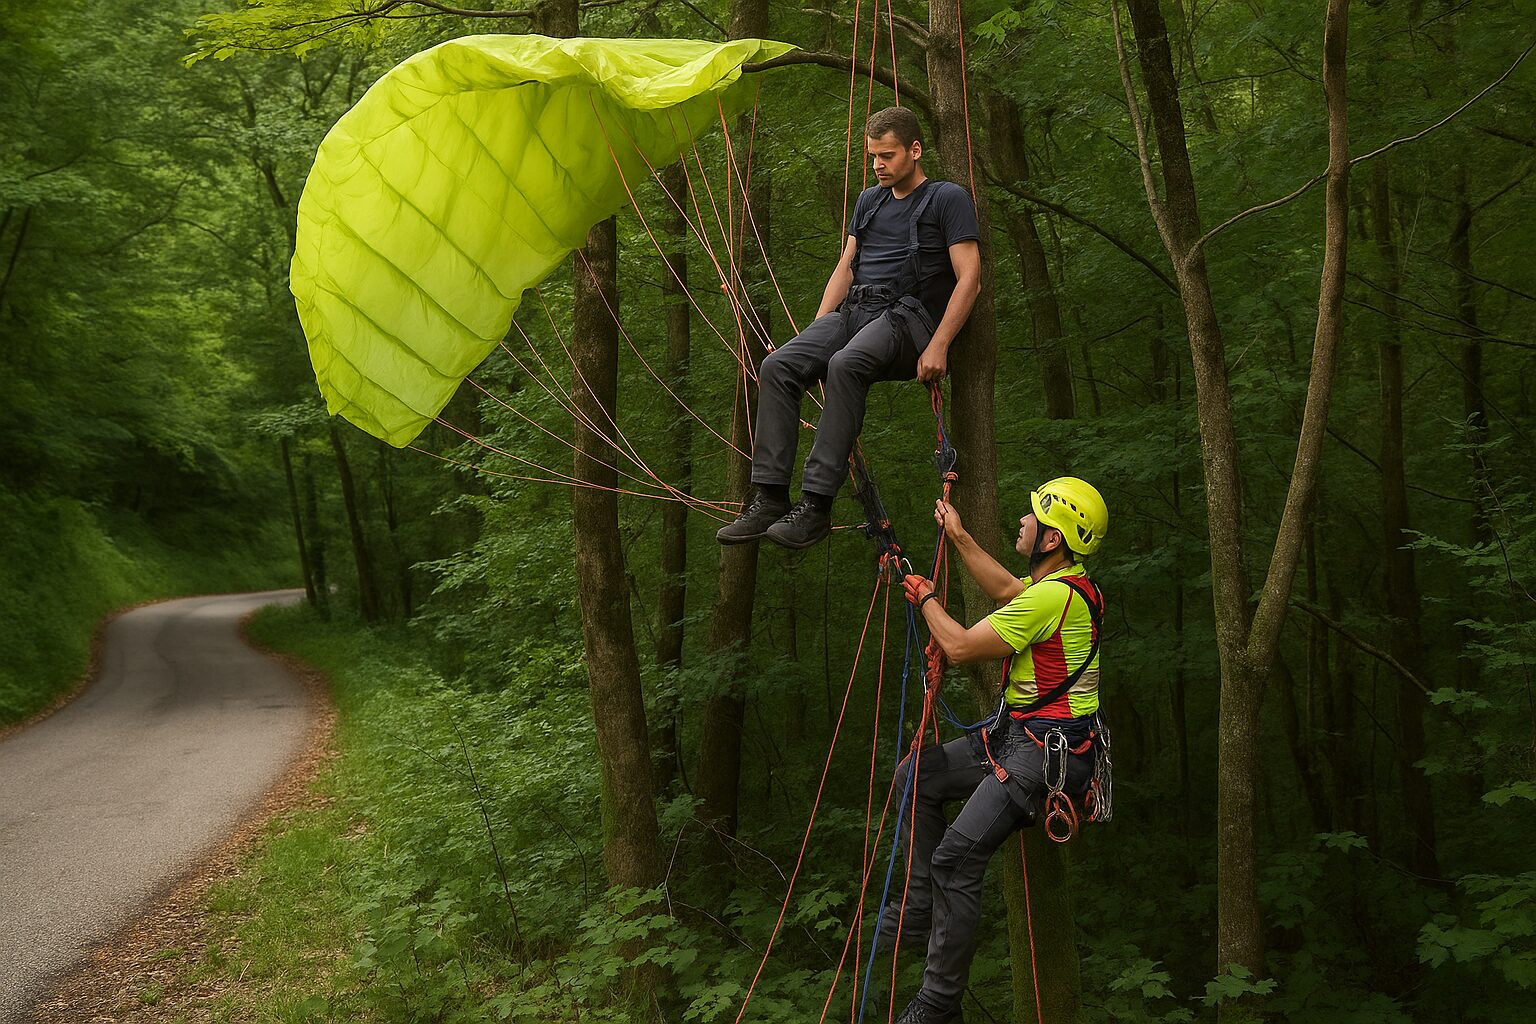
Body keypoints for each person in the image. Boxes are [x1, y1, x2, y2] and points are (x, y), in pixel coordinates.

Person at [884, 477, 1111, 1024]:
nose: (1022, 522)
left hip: (1041, 759)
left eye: (1032, 518)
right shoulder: (1070, 586)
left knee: (956, 860)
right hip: (1019, 739)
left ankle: (938, 1005)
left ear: (1051, 539)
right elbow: (1009, 591)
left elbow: (959, 647)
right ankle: (917, 912)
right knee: (916, 776)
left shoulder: (1054, 598)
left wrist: (927, 599)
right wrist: (959, 537)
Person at [715, 106, 981, 550]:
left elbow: (969, 275)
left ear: (915, 151)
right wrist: (817, 330)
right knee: (779, 364)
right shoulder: (869, 201)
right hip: (856, 312)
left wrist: (939, 346)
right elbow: (846, 266)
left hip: (908, 319)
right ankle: (770, 498)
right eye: (873, 156)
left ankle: (816, 506)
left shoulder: (946, 199)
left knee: (845, 364)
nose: (878, 164)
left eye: (888, 155)